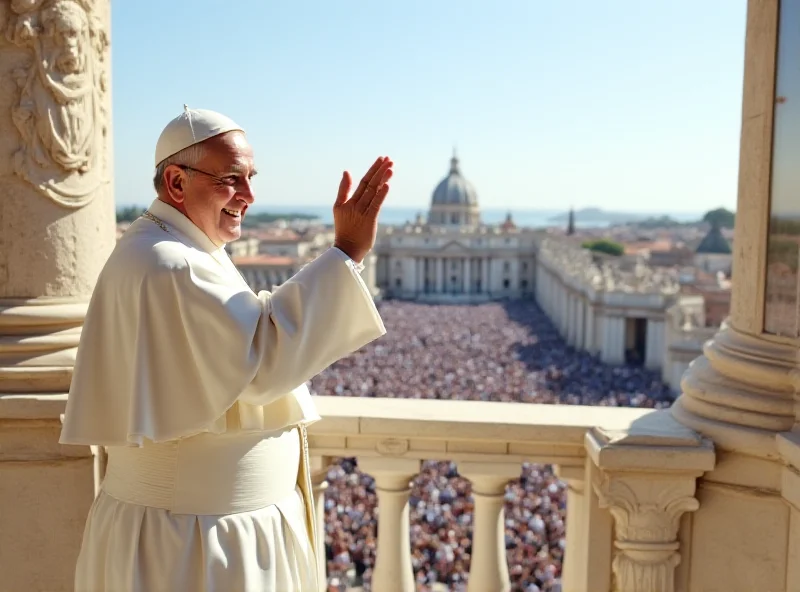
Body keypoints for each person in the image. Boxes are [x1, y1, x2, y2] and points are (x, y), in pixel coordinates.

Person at [59, 105, 393, 592]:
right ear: (176, 183)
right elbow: (263, 358)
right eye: (232, 179)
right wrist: (346, 252)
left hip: (208, 529)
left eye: (251, 177)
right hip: (196, 544)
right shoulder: (172, 262)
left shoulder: (176, 248)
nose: (250, 196)